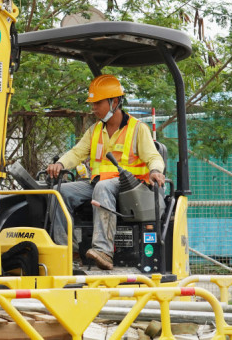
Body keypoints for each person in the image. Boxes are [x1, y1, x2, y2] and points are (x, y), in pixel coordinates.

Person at [46, 74, 165, 270]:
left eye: (97, 103)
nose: (93, 108)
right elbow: (76, 153)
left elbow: (153, 156)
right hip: (98, 183)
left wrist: (155, 171)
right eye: (92, 104)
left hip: (130, 186)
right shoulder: (94, 130)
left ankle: (104, 251)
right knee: (58, 193)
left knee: (102, 187)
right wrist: (60, 164)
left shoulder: (138, 129)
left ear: (114, 102)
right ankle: (67, 252)